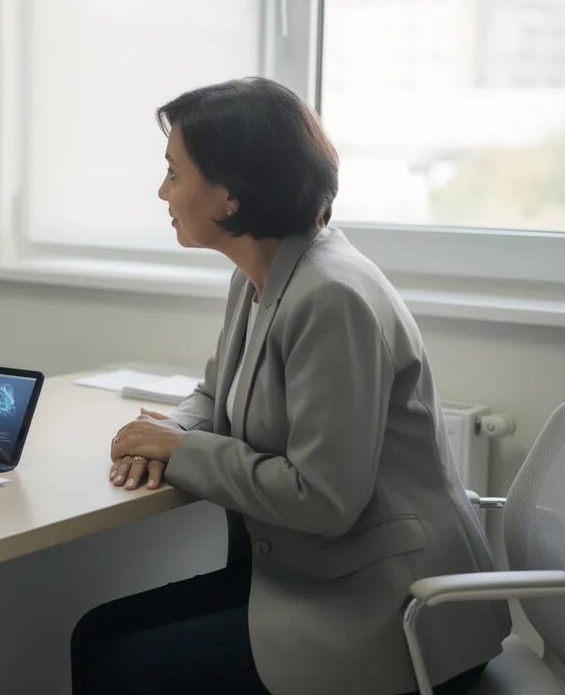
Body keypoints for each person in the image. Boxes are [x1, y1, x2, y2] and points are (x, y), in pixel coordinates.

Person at [71, 78, 511, 695]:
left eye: (174, 173)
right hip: (318, 578)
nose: (162, 191)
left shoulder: (330, 296)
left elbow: (323, 497)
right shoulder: (265, 272)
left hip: (391, 613)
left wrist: (180, 450)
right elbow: (213, 392)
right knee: (97, 635)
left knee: (121, 663)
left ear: (229, 196)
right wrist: (172, 429)